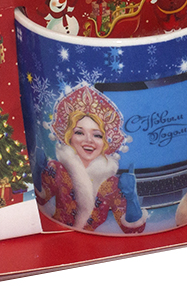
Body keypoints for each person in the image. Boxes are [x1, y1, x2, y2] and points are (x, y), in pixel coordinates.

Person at [34, 85, 147, 233]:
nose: (88, 140)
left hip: (93, 242)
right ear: (69, 137)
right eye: (79, 133)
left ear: (104, 143)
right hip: (59, 235)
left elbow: (133, 229)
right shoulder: (58, 169)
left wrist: (132, 198)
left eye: (97, 135)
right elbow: (42, 198)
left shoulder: (110, 184)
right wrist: (37, 172)